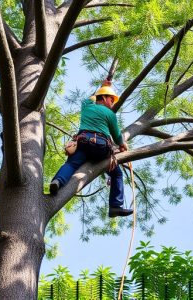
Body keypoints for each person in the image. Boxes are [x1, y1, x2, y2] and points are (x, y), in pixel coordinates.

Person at [50, 80, 133, 218]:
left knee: (70, 164)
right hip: (101, 148)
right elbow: (117, 137)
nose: (112, 103)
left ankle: (57, 181)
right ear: (104, 98)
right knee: (117, 174)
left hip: (83, 144)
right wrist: (123, 144)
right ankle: (115, 207)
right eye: (111, 99)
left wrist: (102, 87)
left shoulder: (86, 107)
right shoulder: (110, 115)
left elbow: (89, 99)